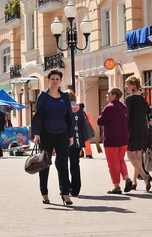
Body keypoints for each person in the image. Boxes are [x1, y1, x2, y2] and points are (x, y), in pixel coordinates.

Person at [31, 70, 74, 206]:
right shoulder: (42, 96)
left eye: (57, 79)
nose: (55, 81)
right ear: (48, 80)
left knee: (62, 164)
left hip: (62, 134)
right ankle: (44, 194)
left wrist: (71, 135)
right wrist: (36, 134)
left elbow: (69, 117)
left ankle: (65, 194)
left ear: (60, 81)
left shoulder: (65, 97)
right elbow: (37, 116)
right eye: (52, 79)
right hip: (46, 134)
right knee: (44, 164)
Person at [97, 88, 132, 194]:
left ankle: (117, 186)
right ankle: (127, 178)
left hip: (111, 139)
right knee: (121, 160)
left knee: (113, 163)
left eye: (108, 94)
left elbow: (100, 121)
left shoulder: (108, 108)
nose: (107, 95)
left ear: (114, 95)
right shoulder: (124, 107)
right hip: (123, 138)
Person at [125, 76, 152, 192]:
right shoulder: (143, 99)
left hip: (133, 129)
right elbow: (148, 112)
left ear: (133, 86)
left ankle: (144, 176)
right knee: (138, 155)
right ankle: (135, 181)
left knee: (130, 155)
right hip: (143, 129)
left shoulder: (129, 99)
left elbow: (127, 115)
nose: (126, 86)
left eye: (127, 84)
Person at [67, 91, 85, 197]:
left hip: (67, 140)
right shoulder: (80, 110)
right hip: (78, 141)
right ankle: (76, 188)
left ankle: (68, 186)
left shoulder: (65, 109)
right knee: (75, 164)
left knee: (62, 164)